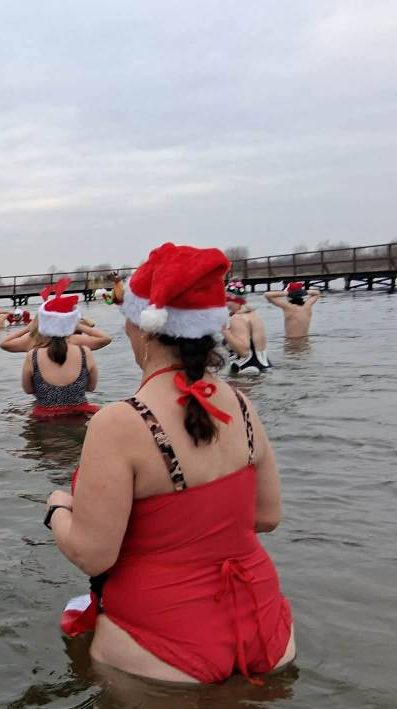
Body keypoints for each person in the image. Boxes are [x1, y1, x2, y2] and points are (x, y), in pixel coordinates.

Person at [47, 242, 295, 684]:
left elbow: (92, 554)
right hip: (266, 627)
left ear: (144, 328)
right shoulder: (240, 404)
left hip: (160, 639)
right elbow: (267, 516)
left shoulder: (120, 422)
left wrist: (57, 510)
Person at [22, 286, 99, 419]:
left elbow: (28, 390)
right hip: (79, 416)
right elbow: (91, 388)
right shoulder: (85, 352)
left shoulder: (33, 355)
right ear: (71, 324)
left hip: (44, 418)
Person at [223, 280, 272, 373]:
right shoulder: (253, 314)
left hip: (247, 372)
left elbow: (244, 351)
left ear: (235, 300)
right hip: (263, 368)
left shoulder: (237, 318)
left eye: (227, 300)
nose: (225, 304)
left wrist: (225, 332)